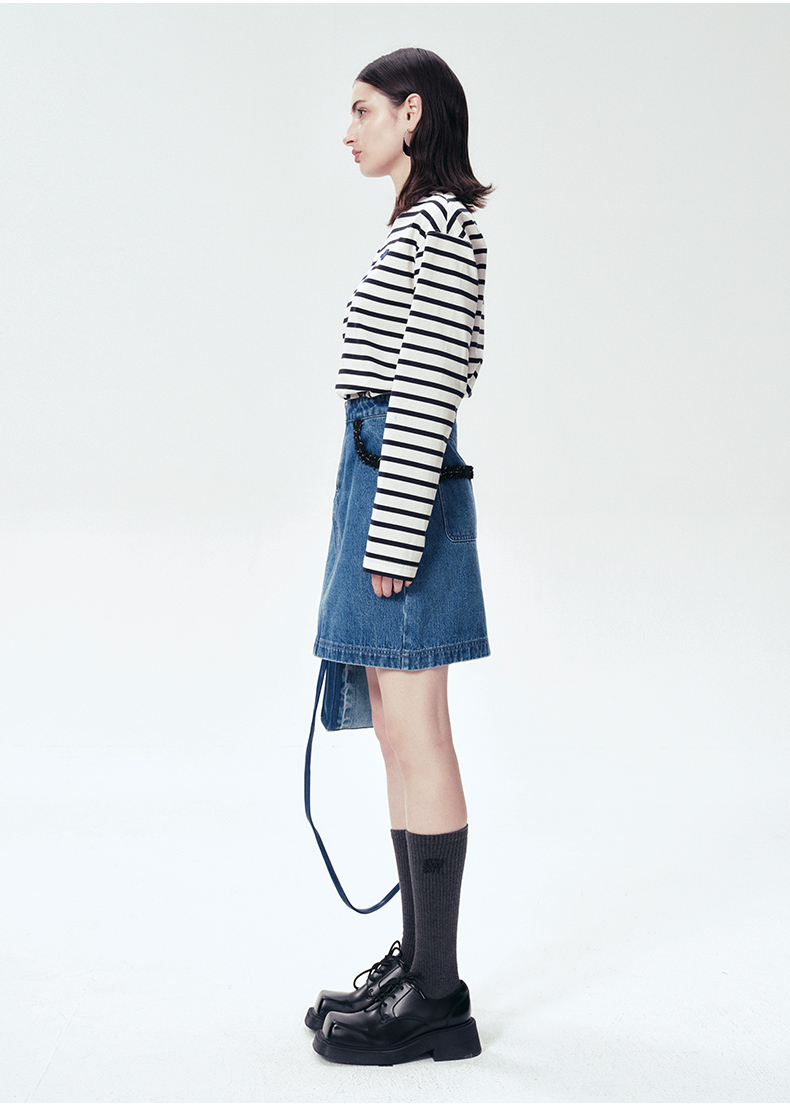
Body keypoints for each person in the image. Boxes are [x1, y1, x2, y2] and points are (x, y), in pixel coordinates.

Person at [306, 46, 493, 1067]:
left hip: (400, 482)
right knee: (393, 724)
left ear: (411, 113)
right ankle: (419, 964)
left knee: (418, 727)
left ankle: (438, 995)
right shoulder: (415, 224)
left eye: (363, 110)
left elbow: (430, 384)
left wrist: (395, 528)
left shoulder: (446, 228)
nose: (348, 131)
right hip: (377, 471)